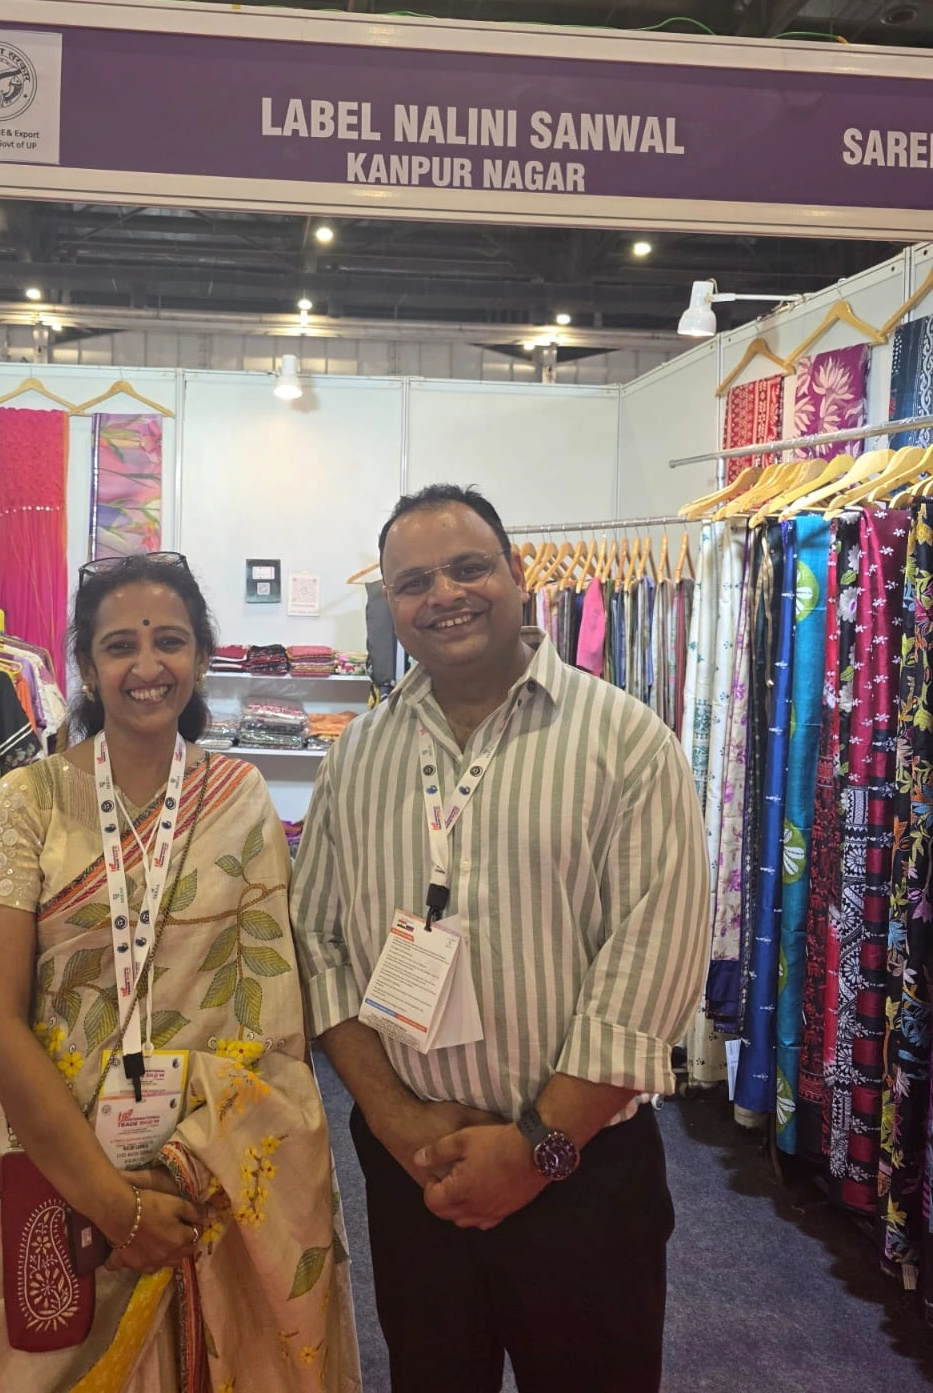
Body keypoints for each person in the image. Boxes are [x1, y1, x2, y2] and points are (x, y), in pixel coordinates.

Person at [291, 485, 708, 1393]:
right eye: (414, 582)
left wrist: (535, 1150)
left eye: (468, 567)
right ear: (391, 605)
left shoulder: (627, 743)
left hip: (582, 1176)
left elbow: (649, 968)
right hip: (417, 1172)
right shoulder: (357, 755)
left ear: (518, 575)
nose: (444, 595)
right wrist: (398, 1122)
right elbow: (317, 945)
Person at [0, 553, 359, 1393]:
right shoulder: (30, 801)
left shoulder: (241, 797)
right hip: (54, 1160)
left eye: (170, 641)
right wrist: (111, 1202)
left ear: (199, 657)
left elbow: (273, 1018)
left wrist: (184, 1167)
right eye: (120, 645)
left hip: (212, 1175)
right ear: (89, 669)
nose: (147, 664)